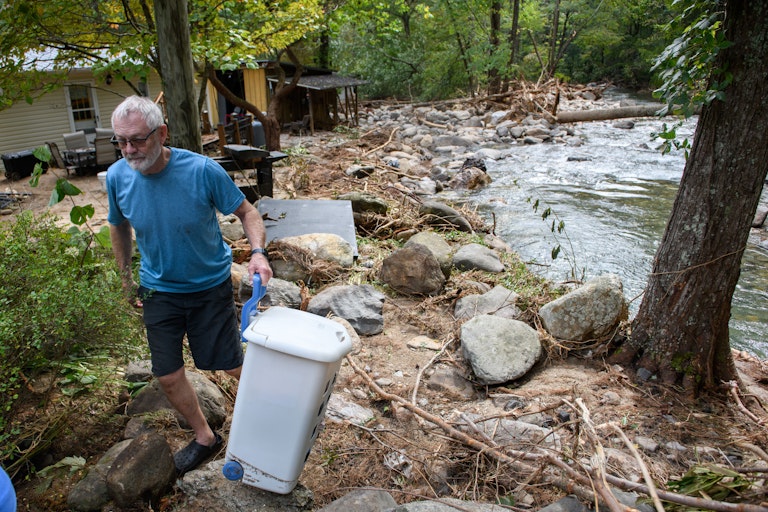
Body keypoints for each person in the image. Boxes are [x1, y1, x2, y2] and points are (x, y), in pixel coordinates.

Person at [106, 95, 272, 474]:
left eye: (138, 140)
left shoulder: (201, 170)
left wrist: (258, 252)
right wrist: (125, 276)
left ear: (162, 133)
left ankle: (270, 414)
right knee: (166, 374)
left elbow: (247, 212)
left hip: (207, 287)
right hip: (158, 290)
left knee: (228, 364)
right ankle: (205, 437)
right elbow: (118, 223)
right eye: (121, 141)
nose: (129, 150)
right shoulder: (117, 176)